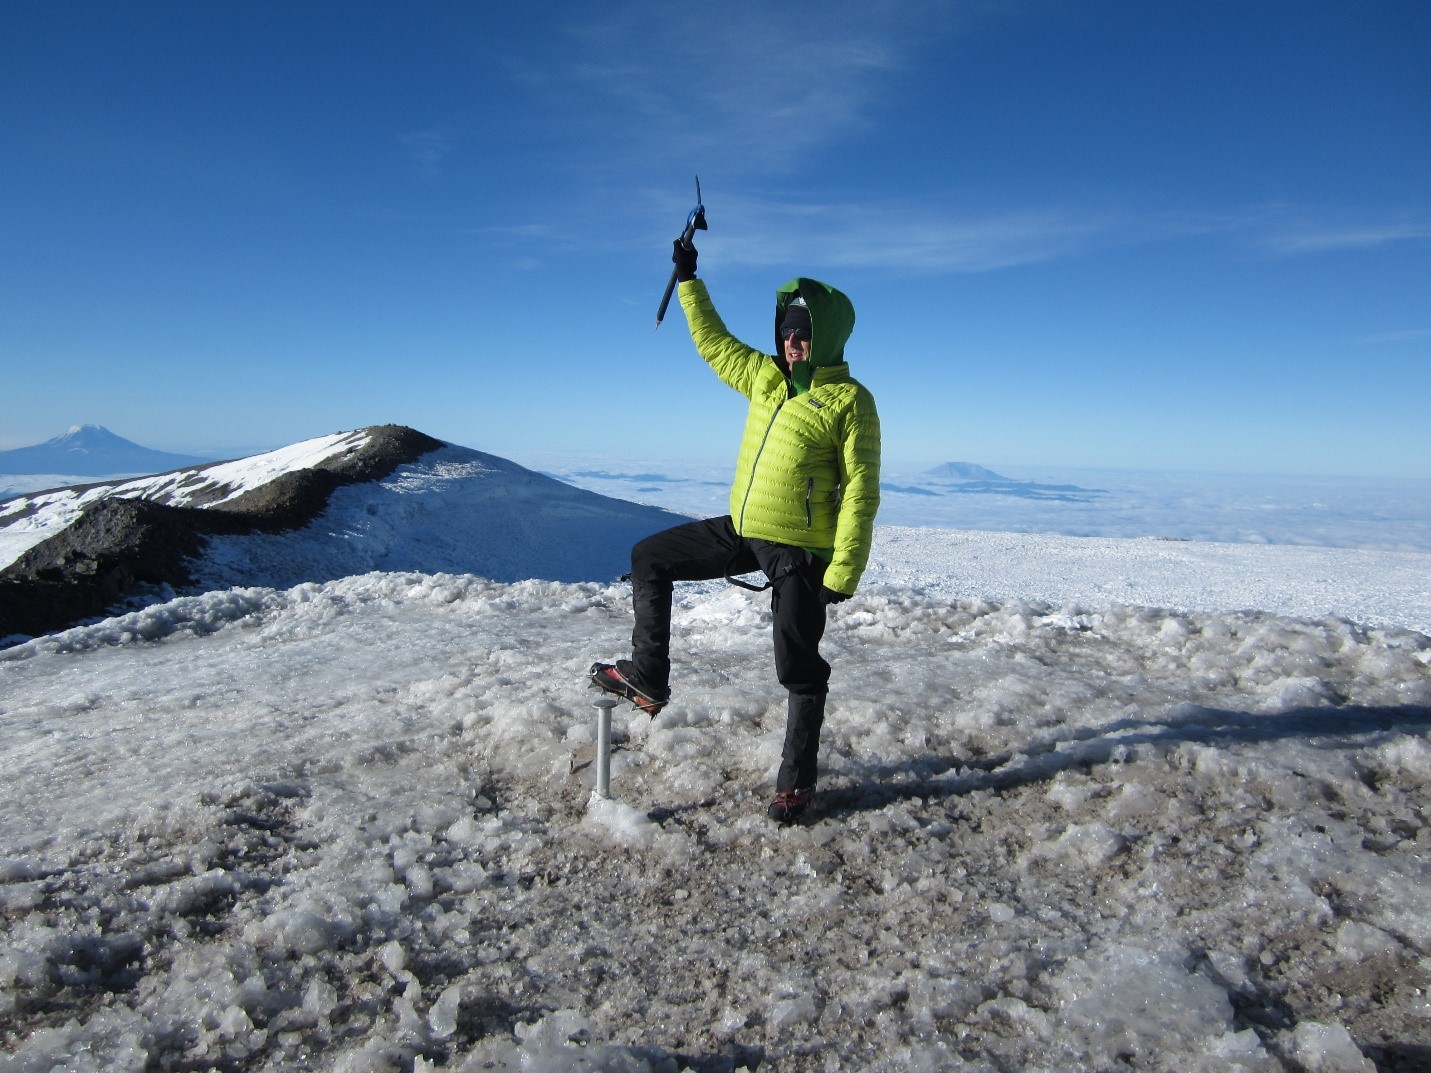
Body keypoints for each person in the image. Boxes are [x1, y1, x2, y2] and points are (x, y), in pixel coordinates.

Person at [591, 237, 881, 823]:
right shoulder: (766, 378)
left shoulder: (849, 401)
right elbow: (714, 343)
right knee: (650, 557)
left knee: (798, 668)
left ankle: (796, 784)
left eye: (803, 332)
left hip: (799, 548)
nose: (792, 341)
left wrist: (844, 570)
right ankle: (648, 677)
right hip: (745, 529)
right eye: (787, 331)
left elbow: (860, 489)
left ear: (826, 336)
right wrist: (688, 280)